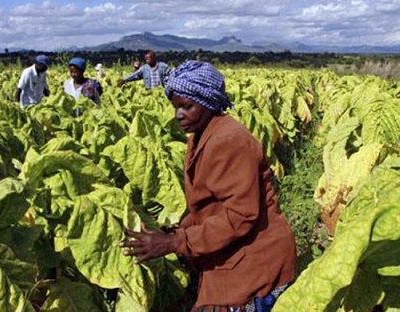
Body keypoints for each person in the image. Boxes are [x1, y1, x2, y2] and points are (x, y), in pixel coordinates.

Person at [120, 61, 297, 312]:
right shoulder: (202, 134)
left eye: (187, 106)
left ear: (208, 102)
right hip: (233, 250)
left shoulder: (229, 141)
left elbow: (241, 215)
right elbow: (209, 203)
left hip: (255, 256)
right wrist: (176, 230)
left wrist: (175, 242)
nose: (178, 115)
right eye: (176, 107)